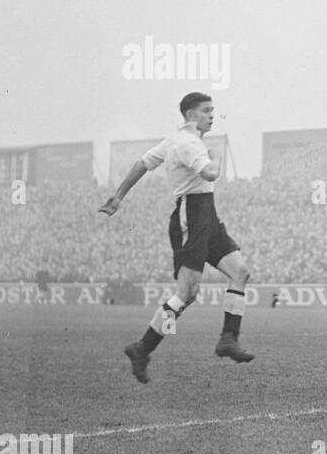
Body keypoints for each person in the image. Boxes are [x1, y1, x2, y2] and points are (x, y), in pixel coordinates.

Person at [99, 92, 253, 383]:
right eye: (207, 111)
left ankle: (228, 339)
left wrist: (118, 197)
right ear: (191, 115)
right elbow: (209, 173)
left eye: (213, 110)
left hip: (207, 215)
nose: (212, 115)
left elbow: (142, 164)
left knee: (240, 272)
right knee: (187, 294)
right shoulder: (187, 143)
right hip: (191, 216)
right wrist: (216, 160)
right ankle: (142, 348)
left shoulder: (174, 140)